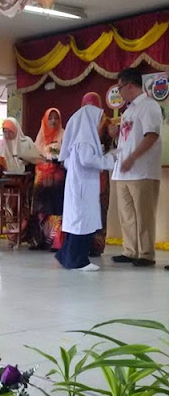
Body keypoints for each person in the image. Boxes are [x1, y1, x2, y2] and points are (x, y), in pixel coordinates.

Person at [111, 68, 162, 267]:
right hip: (123, 171)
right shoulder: (129, 110)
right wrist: (115, 134)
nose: (119, 92)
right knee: (127, 215)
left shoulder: (149, 106)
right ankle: (130, 250)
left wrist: (132, 158)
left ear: (130, 85)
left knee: (144, 214)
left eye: (120, 88)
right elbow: (128, 137)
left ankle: (146, 254)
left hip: (142, 171)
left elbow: (152, 135)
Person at [55, 104, 116, 271]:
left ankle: (67, 256)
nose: (101, 125)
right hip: (82, 189)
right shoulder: (85, 140)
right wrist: (110, 158)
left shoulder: (80, 139)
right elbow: (87, 160)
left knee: (80, 223)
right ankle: (78, 261)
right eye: (100, 120)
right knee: (81, 224)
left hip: (81, 187)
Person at [80, 92, 113, 256]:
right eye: (87, 106)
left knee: (100, 208)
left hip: (100, 172)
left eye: (93, 106)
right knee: (84, 209)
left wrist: (106, 132)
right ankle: (83, 244)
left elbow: (111, 146)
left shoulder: (106, 122)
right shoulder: (79, 123)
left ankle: (96, 246)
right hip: (84, 173)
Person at [29, 108, 66, 251]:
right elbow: (35, 155)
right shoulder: (40, 137)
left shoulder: (64, 134)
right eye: (50, 118)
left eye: (56, 118)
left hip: (57, 178)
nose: (53, 121)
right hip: (41, 178)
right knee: (40, 209)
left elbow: (67, 153)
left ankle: (56, 242)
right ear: (45, 120)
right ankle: (39, 241)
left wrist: (56, 157)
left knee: (56, 208)